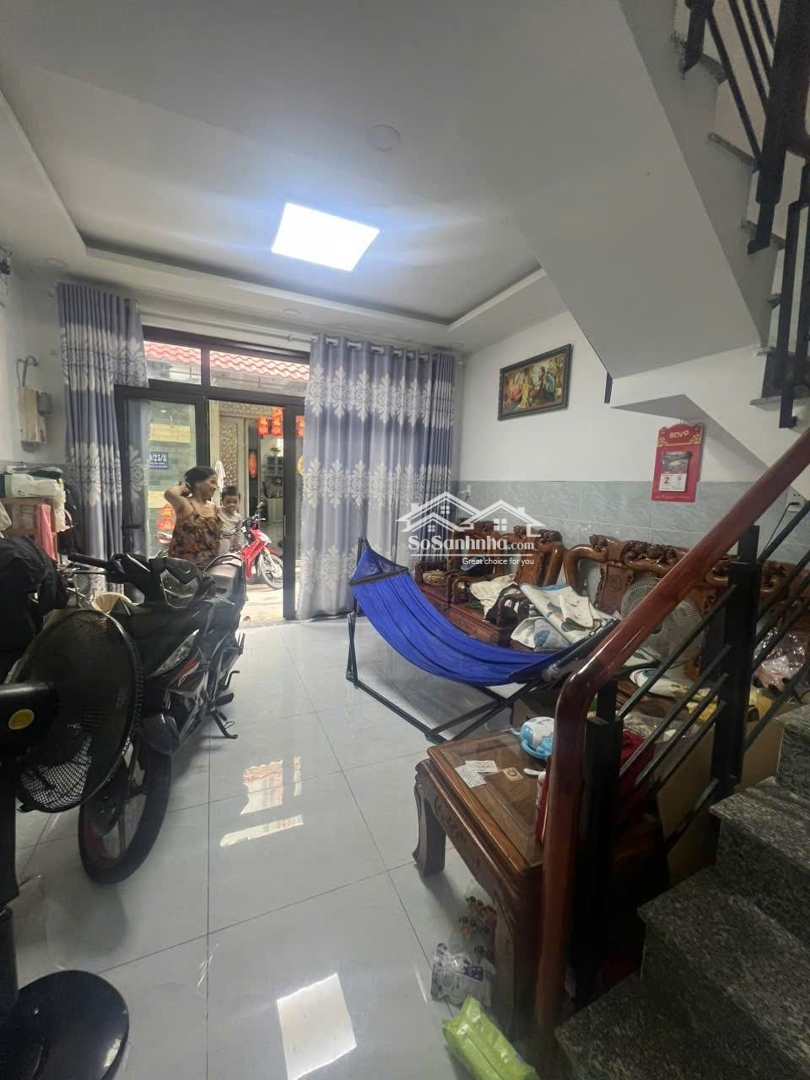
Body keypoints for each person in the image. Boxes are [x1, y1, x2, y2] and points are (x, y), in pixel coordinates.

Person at [164, 465, 220, 566]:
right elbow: (169, 494)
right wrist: (182, 487)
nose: (215, 487)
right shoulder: (185, 504)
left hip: (210, 566)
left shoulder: (213, 507)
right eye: (212, 482)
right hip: (184, 568)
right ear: (198, 483)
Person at [217, 486, 244, 554]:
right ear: (222, 502)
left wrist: (238, 543)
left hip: (229, 540)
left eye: (235, 502)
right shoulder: (218, 510)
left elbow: (238, 531)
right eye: (228, 502)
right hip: (218, 538)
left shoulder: (238, 517)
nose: (232, 504)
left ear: (239, 502)